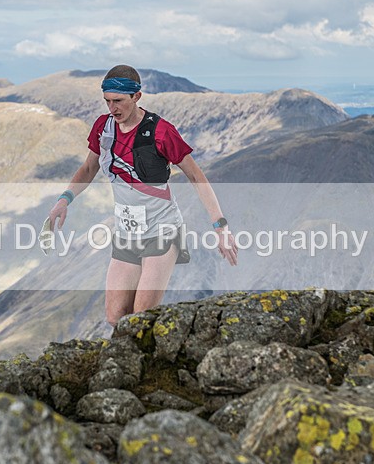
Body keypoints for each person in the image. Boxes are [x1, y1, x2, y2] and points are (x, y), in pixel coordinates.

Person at [49, 64, 237, 329]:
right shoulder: (104, 128)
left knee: (140, 320)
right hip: (127, 233)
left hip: (162, 231)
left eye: (118, 101)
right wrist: (64, 199)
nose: (112, 109)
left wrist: (220, 226)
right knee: (116, 317)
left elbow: (197, 176)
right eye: (107, 101)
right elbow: (89, 167)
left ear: (136, 96)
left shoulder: (161, 132)